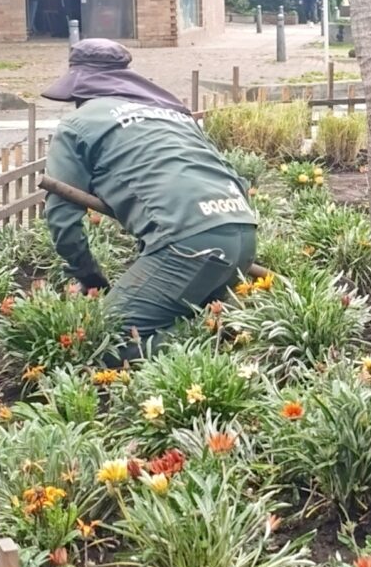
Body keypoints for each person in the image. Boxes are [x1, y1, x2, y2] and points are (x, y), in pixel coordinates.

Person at [41, 38, 257, 347]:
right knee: (185, 314)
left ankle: (214, 339)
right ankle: (220, 341)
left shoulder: (78, 124)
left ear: (78, 87)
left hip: (189, 245)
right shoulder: (174, 115)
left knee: (107, 341)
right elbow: (234, 178)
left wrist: (89, 276)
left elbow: (62, 219)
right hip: (242, 233)